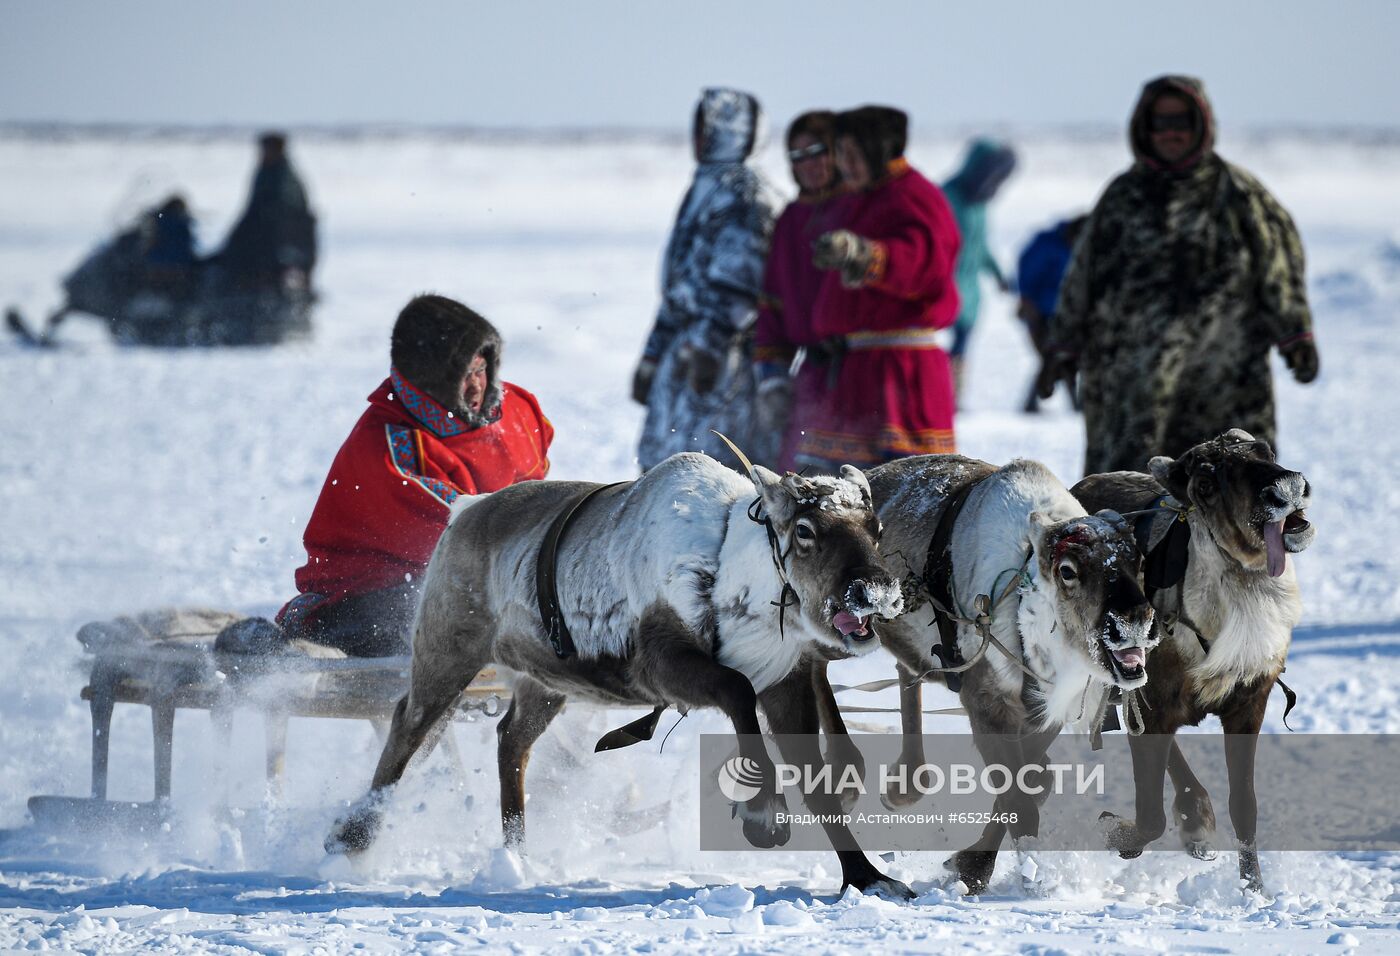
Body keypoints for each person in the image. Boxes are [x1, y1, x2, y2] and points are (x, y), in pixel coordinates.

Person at [1040, 75, 1319, 475]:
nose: (1171, 133)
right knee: (1131, 495)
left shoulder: (1238, 194)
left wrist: (1296, 334)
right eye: (1161, 123)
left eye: (1182, 122)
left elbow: (1279, 267)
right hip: (1130, 387)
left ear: (1201, 124)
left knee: (1226, 493)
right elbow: (1081, 277)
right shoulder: (1122, 196)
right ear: (1144, 128)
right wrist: (1062, 346)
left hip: (1221, 379)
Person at [273, 294, 554, 656]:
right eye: (461, 375)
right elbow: (467, 530)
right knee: (418, 612)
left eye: (480, 369)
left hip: (483, 581)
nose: (476, 386)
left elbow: (535, 505)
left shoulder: (517, 411)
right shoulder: (391, 446)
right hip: (365, 595)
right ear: (433, 380)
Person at [799, 106, 961, 469]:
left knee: (899, 489)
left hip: (901, 373)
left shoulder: (913, 197)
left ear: (879, 151)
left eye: (853, 155)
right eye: (840, 155)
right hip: (859, 370)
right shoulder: (862, 199)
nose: (845, 165)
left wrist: (863, 254)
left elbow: (926, 264)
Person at [632, 88, 778, 471]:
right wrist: (653, 353)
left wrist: (709, 347)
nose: (697, 138)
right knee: (664, 464)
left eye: (707, 128)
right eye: (697, 128)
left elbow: (742, 284)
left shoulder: (747, 194)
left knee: (713, 466)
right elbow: (681, 283)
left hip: (721, 358)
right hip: (684, 351)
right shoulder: (707, 185)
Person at [752, 110, 844, 470]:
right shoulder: (792, 219)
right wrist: (772, 378)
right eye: (797, 156)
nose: (808, 164)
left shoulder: (858, 207)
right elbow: (773, 304)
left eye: (817, 150)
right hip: (815, 376)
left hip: (863, 367)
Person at [943, 138, 1017, 396]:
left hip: (970, 292)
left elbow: (980, 246)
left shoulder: (980, 205)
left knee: (962, 345)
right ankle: (934, 393)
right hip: (943, 286)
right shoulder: (948, 197)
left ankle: (952, 396)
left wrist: (998, 275)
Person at [1015, 214, 1087, 412]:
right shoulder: (1046, 244)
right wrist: (1027, 304)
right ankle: (1073, 404)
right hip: (1043, 313)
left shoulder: (1075, 246)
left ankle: (1036, 402)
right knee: (1055, 356)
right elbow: (1026, 276)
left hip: (1068, 313)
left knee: (1058, 357)